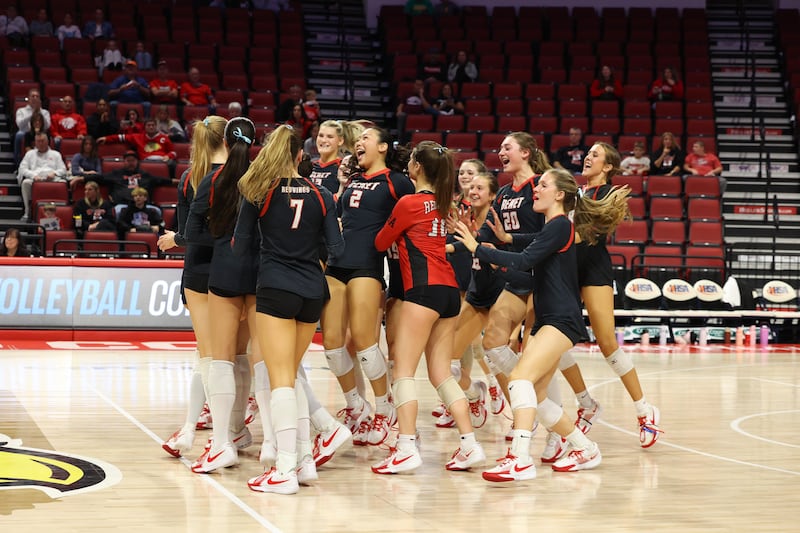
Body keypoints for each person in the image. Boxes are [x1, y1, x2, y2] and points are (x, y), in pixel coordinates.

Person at [454, 168, 628, 480]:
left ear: (559, 195)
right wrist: (498, 256)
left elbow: (523, 259)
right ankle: (585, 448)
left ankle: (519, 459)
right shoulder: (553, 227)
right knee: (539, 397)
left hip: (561, 319)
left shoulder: (561, 225)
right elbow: (526, 271)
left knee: (519, 379)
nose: (536, 189)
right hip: (551, 318)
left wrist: (478, 248)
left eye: (543, 185)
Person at [234, 125, 344, 494]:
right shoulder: (323, 193)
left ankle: (283, 471)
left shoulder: (259, 190)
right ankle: (301, 461)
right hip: (312, 290)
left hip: (275, 288)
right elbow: (338, 250)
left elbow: (240, 246)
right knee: (293, 375)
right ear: (301, 155)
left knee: (281, 379)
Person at [371, 141, 486, 474]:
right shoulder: (444, 203)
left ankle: (406, 447)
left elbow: (381, 242)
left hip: (422, 291)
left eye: (410, 160)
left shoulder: (409, 202)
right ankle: (470, 445)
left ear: (418, 167)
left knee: (402, 370)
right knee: (441, 374)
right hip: (450, 291)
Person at [562, 142, 662, 448]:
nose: (588, 157)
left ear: (607, 166)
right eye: (588, 153)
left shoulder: (608, 194)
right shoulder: (575, 192)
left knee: (607, 343)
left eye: (595, 155)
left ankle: (645, 411)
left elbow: (591, 231)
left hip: (593, 269)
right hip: (567, 268)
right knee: (551, 338)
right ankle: (585, 402)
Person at [320, 127, 415, 447]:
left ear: (384, 147)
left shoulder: (397, 181)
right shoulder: (354, 178)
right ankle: (355, 405)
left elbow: (414, 216)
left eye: (366, 139)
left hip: (367, 265)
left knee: (364, 343)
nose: (359, 142)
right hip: (336, 263)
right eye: (357, 139)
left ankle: (384, 407)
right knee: (332, 346)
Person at [185, 117, 260, 474]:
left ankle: (222, 443)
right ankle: (277, 446)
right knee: (260, 363)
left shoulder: (213, 180)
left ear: (226, 144)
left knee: (220, 360)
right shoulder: (264, 180)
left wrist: (223, 241)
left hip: (225, 276)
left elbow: (192, 231)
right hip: (261, 278)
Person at [159, 115, 228, 458]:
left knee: (209, 355)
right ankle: (235, 434)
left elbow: (188, 232)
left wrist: (176, 238)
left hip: (200, 270)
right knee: (237, 358)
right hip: (235, 271)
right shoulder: (244, 177)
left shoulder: (190, 178)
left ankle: (194, 430)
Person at [99, 118, 177, 179]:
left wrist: (168, 156)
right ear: (145, 127)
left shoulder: (164, 138)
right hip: (145, 161)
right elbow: (121, 137)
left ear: (156, 126)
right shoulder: (138, 137)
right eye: (149, 125)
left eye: (153, 125)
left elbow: (173, 152)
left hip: (162, 160)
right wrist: (106, 138)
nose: (151, 127)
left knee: (172, 164)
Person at [17, 132, 68, 222]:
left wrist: (54, 173)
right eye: (38, 141)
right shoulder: (30, 154)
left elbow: (63, 169)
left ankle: (61, 210)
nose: (40, 143)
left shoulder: (56, 154)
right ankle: (27, 211)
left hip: (52, 179)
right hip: (36, 178)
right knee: (25, 183)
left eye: (42, 141)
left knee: (63, 183)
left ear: (47, 141)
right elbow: (22, 169)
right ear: (35, 142)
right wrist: (33, 176)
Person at [93, 150, 170, 206]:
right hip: (121, 205)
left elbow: (162, 180)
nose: (131, 163)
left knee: (156, 211)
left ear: (137, 162)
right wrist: (82, 178)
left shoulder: (145, 175)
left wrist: (180, 181)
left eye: (133, 160)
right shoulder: (116, 174)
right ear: (124, 161)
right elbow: (99, 178)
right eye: (128, 160)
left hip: (144, 207)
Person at [308, 120, 362, 195]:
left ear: (340, 141)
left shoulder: (344, 168)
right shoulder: (309, 166)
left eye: (330, 137)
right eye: (320, 135)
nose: (323, 140)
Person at [14, 88, 51, 165]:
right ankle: (18, 163)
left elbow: (47, 126)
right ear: (28, 98)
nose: (35, 98)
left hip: (40, 132)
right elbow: (20, 125)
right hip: (25, 132)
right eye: (33, 96)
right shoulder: (21, 111)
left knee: (49, 136)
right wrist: (33, 113)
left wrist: (39, 111)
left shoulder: (45, 112)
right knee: (19, 135)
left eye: (37, 96)